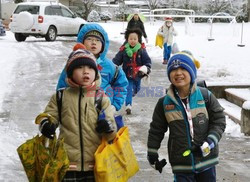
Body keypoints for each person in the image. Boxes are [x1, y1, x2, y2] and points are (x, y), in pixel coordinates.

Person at [37, 45, 117, 181]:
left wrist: (108, 127)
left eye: (90, 68)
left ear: (96, 73)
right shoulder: (60, 96)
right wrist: (46, 124)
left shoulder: (101, 97)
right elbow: (49, 115)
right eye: (80, 67)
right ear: (70, 72)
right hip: (67, 163)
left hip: (96, 164)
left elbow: (112, 128)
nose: (86, 72)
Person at [147, 51, 226, 182]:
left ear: (191, 72)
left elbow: (219, 120)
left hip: (206, 161)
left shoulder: (205, 96)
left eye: (183, 68)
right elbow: (156, 129)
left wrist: (211, 141)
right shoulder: (164, 103)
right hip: (181, 163)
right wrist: (152, 152)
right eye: (173, 70)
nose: (178, 73)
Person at [57, 23, 128, 129]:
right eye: (89, 39)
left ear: (103, 45)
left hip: (103, 113)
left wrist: (114, 105)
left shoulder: (110, 67)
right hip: (79, 112)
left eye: (98, 40)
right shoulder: (73, 64)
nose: (94, 42)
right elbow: (62, 86)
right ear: (82, 42)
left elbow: (121, 85)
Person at [113, 28, 151, 115]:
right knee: (129, 88)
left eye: (135, 39)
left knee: (137, 89)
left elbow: (147, 61)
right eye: (131, 39)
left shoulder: (141, 50)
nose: (133, 41)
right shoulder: (123, 50)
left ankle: (130, 94)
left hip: (138, 74)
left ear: (138, 39)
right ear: (127, 39)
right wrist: (113, 66)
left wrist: (147, 68)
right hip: (127, 74)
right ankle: (128, 105)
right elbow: (116, 60)